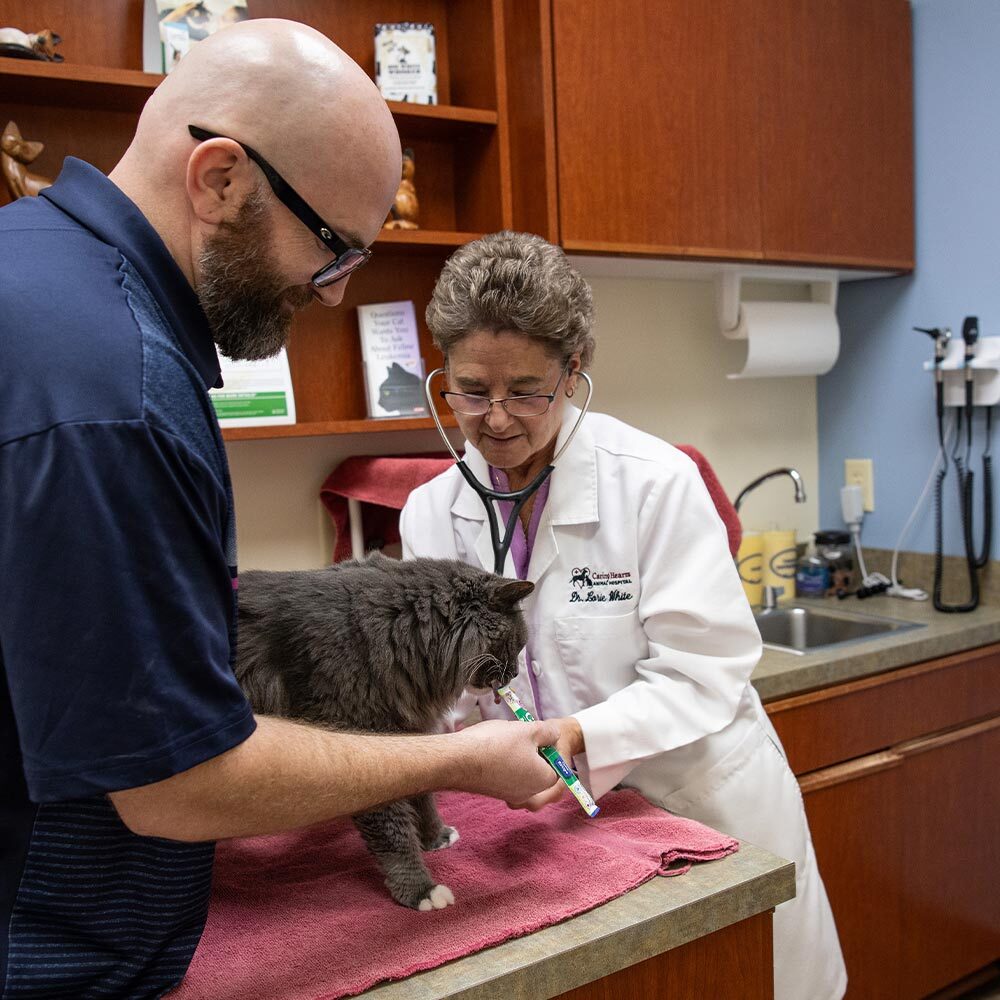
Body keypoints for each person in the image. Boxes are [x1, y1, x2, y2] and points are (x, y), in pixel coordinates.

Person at [0, 23, 562, 998]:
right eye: (334, 247)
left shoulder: (32, 270)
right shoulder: (114, 392)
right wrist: (463, 756)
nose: (335, 290)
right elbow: (173, 782)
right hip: (49, 950)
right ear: (219, 178)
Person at [400, 231, 848, 1000]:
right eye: (472, 390)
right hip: (553, 836)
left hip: (699, 808)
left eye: (527, 390)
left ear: (574, 374)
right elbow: (441, 692)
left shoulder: (654, 484)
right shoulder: (431, 514)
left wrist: (578, 738)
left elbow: (705, 672)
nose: (496, 418)